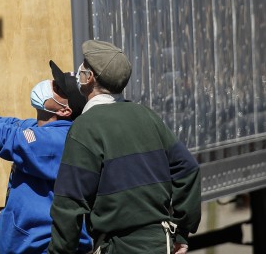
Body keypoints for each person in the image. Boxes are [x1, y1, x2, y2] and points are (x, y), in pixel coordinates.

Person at [49, 40, 202, 254]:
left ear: (89, 77)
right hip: (160, 243)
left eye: (84, 66)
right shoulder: (147, 116)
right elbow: (189, 170)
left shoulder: (85, 127)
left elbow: (69, 202)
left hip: (118, 247)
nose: (79, 71)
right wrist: (182, 230)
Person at [0, 61, 92, 254]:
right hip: (25, 245)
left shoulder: (60, 139)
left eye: (57, 87)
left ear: (64, 110)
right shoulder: (38, 127)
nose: (50, 83)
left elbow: (1, 136)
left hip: (44, 247)